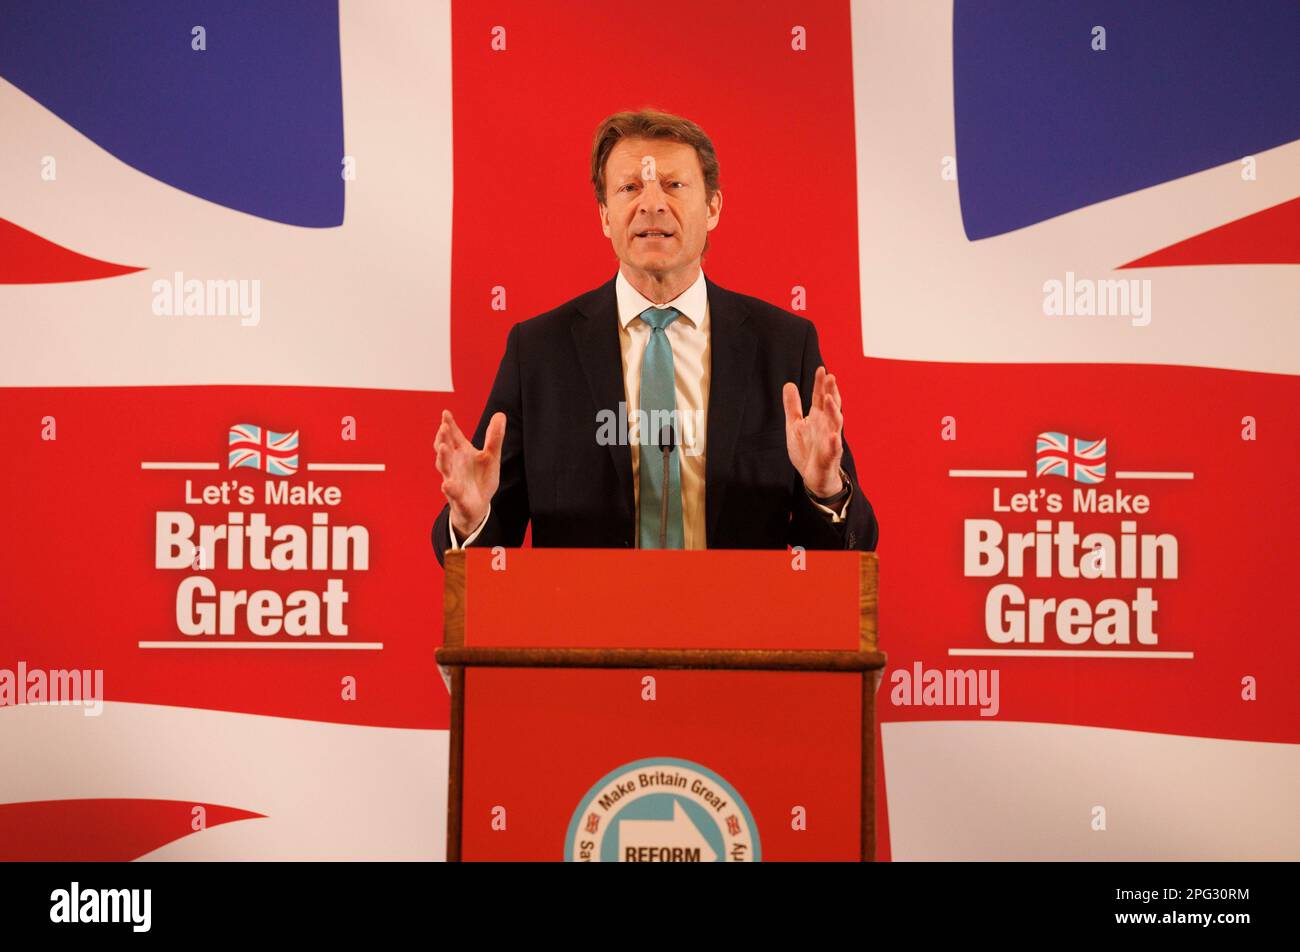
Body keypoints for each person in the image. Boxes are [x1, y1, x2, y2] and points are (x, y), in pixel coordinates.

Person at [431, 108, 878, 565]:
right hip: (583, 628)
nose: (651, 204)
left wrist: (825, 490)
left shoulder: (784, 344)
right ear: (605, 216)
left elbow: (847, 553)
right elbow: (484, 551)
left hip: (739, 628)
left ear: (713, 208)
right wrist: (471, 516)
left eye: (673, 185)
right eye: (630, 188)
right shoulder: (539, 352)